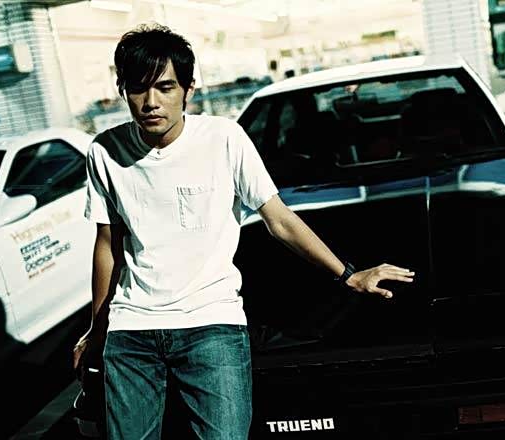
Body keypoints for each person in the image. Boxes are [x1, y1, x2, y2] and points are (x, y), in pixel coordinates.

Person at [72, 23, 414, 440]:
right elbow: (108, 244)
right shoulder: (104, 151)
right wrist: (98, 330)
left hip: (211, 323)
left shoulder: (224, 139)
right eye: (138, 89)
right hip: (133, 329)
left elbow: (279, 220)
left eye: (165, 87)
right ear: (123, 91)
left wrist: (349, 274)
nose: (151, 102)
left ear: (188, 89)